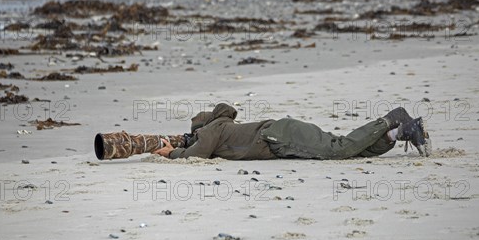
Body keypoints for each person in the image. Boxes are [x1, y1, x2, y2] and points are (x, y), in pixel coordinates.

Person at [153, 102, 430, 160]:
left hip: (279, 136)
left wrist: (171, 152)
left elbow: (198, 153)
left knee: (340, 149)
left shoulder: (212, 129)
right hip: (281, 134)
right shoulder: (223, 127)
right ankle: (400, 132)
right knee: (352, 151)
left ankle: (390, 119)